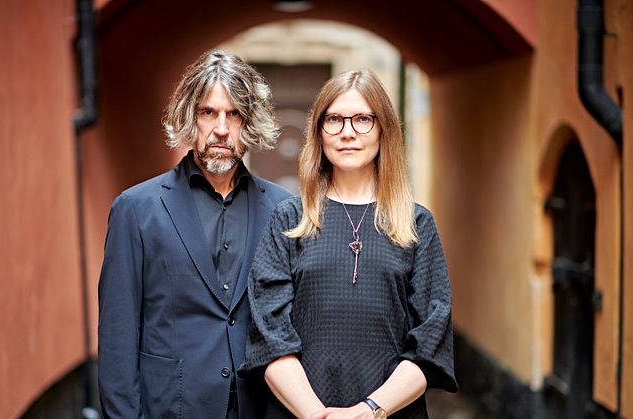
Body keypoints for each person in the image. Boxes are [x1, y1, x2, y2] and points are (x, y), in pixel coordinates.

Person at [242, 69, 458, 419]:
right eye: (335, 120)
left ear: (383, 129)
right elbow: (269, 337)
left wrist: (369, 411)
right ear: (319, 132)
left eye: (362, 119)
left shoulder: (416, 225)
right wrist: (317, 415)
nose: (347, 133)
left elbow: (430, 343)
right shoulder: (289, 220)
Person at [98, 50, 292, 419]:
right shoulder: (136, 209)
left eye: (234, 114)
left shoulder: (284, 211)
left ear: (249, 123)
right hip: (171, 408)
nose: (221, 128)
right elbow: (117, 339)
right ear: (190, 117)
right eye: (208, 112)